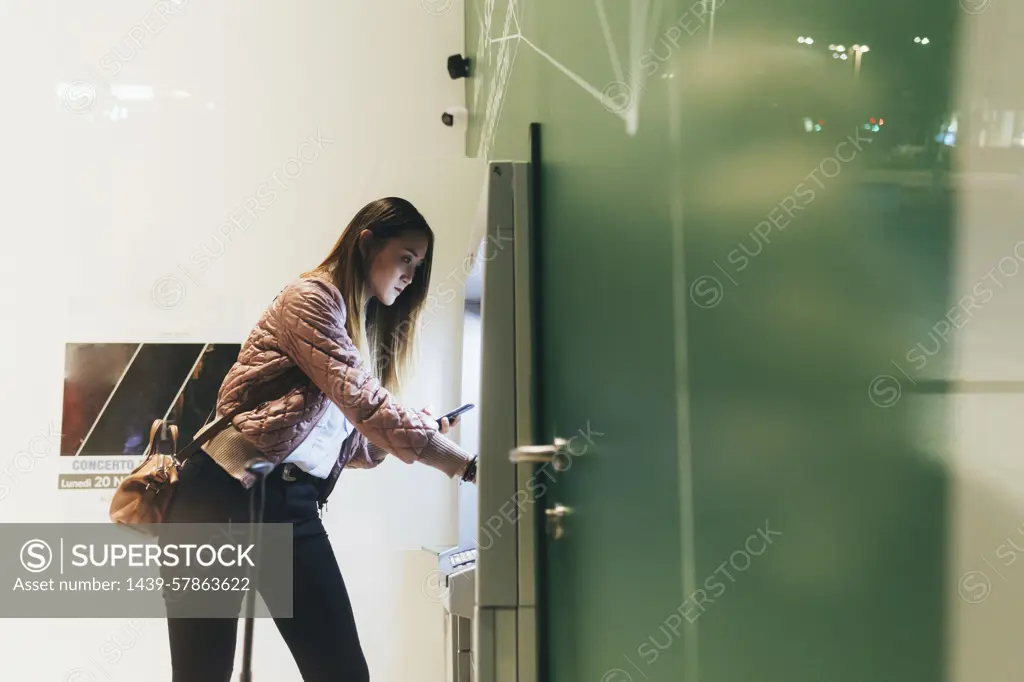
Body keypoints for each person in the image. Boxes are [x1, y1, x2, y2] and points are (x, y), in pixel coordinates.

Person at [158, 197, 478, 682]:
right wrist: (464, 464)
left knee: (341, 672)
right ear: (367, 241)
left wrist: (419, 431)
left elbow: (352, 441)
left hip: (286, 504)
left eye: (420, 265)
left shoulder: (353, 330)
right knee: (202, 673)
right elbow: (368, 406)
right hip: (219, 493)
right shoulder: (312, 299)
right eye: (406, 258)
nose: (412, 275)